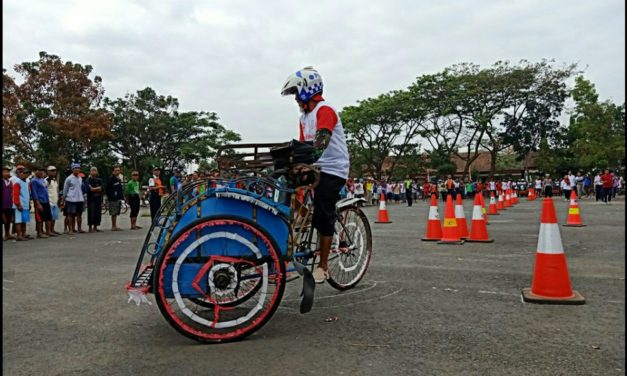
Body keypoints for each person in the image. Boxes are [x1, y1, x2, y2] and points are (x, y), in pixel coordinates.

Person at [281, 66, 349, 283]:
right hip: (315, 167)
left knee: (322, 209)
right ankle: (287, 251)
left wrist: (305, 161)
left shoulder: (324, 110)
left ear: (307, 91)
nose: (295, 100)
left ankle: (323, 266)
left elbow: (320, 144)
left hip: (333, 168)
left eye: (295, 94)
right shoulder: (304, 117)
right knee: (284, 191)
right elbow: (303, 145)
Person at [31, 167, 54, 238]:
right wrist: (38, 204)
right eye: (39, 170)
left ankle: (48, 231)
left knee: (48, 217)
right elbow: (34, 193)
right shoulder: (34, 181)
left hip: (46, 201)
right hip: (39, 202)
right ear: (35, 171)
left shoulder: (42, 180)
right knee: (39, 219)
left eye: (42, 171)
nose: (41, 172)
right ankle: (39, 233)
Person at [63, 163, 86, 234]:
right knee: (70, 214)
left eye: (78, 168)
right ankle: (70, 229)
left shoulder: (80, 178)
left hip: (80, 199)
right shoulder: (69, 179)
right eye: (75, 168)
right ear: (72, 169)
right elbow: (65, 190)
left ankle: (79, 228)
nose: (77, 169)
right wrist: (63, 198)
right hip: (71, 199)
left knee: (79, 214)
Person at [12, 167, 32, 241]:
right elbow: (15, 195)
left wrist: (29, 203)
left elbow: (28, 194)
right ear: (20, 173)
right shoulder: (17, 183)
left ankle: (24, 234)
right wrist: (18, 204)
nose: (25, 175)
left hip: (25, 204)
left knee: (24, 220)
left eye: (27, 173)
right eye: (24, 173)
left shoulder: (27, 182)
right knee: (18, 221)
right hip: (19, 205)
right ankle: (19, 235)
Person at [105, 165, 124, 231]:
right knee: (113, 212)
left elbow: (120, 189)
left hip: (118, 198)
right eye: (116, 170)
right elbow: (107, 189)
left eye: (118, 170)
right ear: (113, 171)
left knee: (116, 212)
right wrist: (111, 196)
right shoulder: (111, 179)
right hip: (113, 198)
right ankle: (113, 226)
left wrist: (121, 197)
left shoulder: (118, 179)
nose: (117, 171)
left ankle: (115, 225)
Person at [85, 167, 104, 232]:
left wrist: (94, 189)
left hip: (98, 198)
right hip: (91, 199)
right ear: (90, 172)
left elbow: (101, 188)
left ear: (97, 172)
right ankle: (90, 227)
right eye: (92, 171)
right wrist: (97, 188)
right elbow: (90, 189)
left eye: (95, 171)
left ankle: (95, 227)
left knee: (98, 213)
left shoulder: (100, 180)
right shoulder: (88, 180)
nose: (94, 172)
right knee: (91, 212)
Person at [45, 166, 62, 235]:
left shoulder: (55, 180)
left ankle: (52, 229)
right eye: (51, 171)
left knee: (54, 217)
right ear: (48, 172)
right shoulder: (46, 180)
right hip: (49, 201)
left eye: (54, 171)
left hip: (55, 201)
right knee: (49, 218)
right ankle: (48, 231)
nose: (53, 172)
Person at [2, 166, 15, 241]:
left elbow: (12, 193)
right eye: (4, 172)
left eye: (7, 172)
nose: (6, 173)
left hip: (9, 204)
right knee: (3, 220)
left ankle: (7, 234)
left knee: (8, 220)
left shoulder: (10, 182)